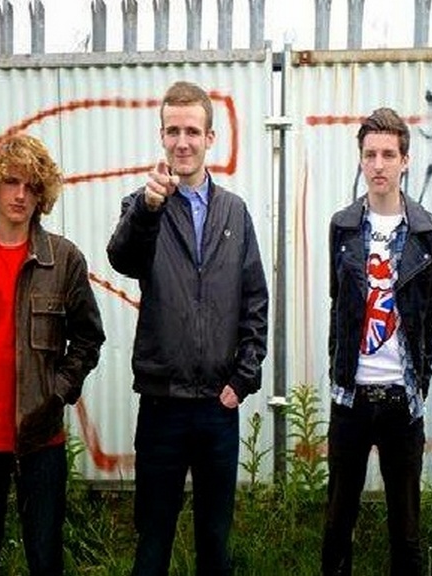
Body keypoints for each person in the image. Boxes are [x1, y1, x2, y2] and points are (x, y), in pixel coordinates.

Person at [107, 80, 268, 576]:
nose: (182, 142)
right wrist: (147, 210)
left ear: (209, 138)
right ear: (161, 135)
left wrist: (244, 377)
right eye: (173, 131)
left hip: (218, 407)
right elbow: (122, 258)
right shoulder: (143, 205)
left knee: (214, 542)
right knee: (153, 539)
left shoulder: (234, 212)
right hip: (163, 405)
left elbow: (255, 300)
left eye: (192, 131)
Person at [321, 107, 432, 575]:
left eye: (388, 155)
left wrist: (420, 382)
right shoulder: (343, 226)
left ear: (405, 161)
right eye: (370, 154)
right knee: (337, 524)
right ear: (360, 159)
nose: (378, 164)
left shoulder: (429, 232)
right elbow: (338, 307)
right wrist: (339, 372)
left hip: (401, 401)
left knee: (406, 531)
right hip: (351, 400)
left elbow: (430, 316)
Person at [0, 133, 105, 576]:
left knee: (45, 559)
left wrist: (57, 393)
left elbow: (88, 338)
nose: (20, 195)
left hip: (40, 439)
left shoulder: (63, 259)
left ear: (42, 194)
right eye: (11, 182)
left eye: (32, 186)